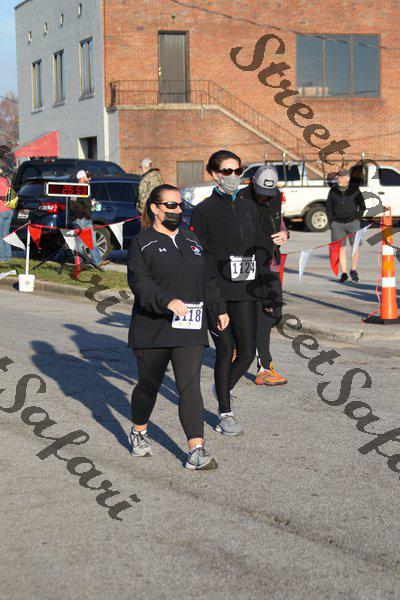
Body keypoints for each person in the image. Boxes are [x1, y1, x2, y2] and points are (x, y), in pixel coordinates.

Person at [128, 184, 229, 470]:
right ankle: (139, 430)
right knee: (149, 385)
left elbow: (207, 279)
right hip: (153, 327)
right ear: (155, 208)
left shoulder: (191, 239)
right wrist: (167, 301)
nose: (178, 210)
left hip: (190, 326)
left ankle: (196, 450)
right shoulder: (141, 243)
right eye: (171, 205)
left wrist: (219, 308)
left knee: (189, 386)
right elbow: (140, 283)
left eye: (180, 204)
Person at [190, 150, 276, 436]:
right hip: (217, 292)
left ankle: (222, 388)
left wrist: (268, 292)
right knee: (226, 350)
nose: (234, 176)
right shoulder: (204, 211)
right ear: (215, 174)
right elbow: (200, 259)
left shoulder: (248, 207)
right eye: (227, 171)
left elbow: (260, 250)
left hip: (246, 289)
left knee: (248, 352)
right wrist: (214, 301)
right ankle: (225, 413)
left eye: (237, 170)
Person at [246, 165, 288, 386]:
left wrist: (285, 234)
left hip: (270, 263)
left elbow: (279, 222)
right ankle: (264, 367)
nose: (265, 196)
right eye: (261, 191)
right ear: (253, 181)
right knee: (262, 313)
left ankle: (241, 343)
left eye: (269, 193)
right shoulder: (241, 198)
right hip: (248, 264)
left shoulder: (276, 196)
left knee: (275, 314)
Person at [326, 168, 366, 283]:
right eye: (338, 177)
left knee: (355, 247)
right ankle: (344, 272)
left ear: (348, 178)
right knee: (341, 248)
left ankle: (353, 270)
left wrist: (357, 218)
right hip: (337, 224)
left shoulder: (355, 189)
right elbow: (328, 206)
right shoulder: (333, 190)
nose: (339, 179)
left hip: (353, 223)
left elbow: (362, 206)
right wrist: (331, 221)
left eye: (342, 177)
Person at [69, 169, 108, 268]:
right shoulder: (75, 189)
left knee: (91, 241)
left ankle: (97, 261)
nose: (90, 178)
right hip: (80, 219)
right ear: (82, 177)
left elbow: (84, 203)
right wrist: (80, 215)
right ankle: (79, 263)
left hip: (87, 218)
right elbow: (72, 205)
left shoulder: (86, 188)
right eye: (88, 177)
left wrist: (92, 204)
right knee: (79, 244)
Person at [0, 169, 13, 263]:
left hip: (1, 211)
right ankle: (8, 257)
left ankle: (2, 257)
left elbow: (3, 195)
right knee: (6, 235)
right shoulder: (6, 181)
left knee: (0, 236)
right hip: (9, 210)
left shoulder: (0, 183)